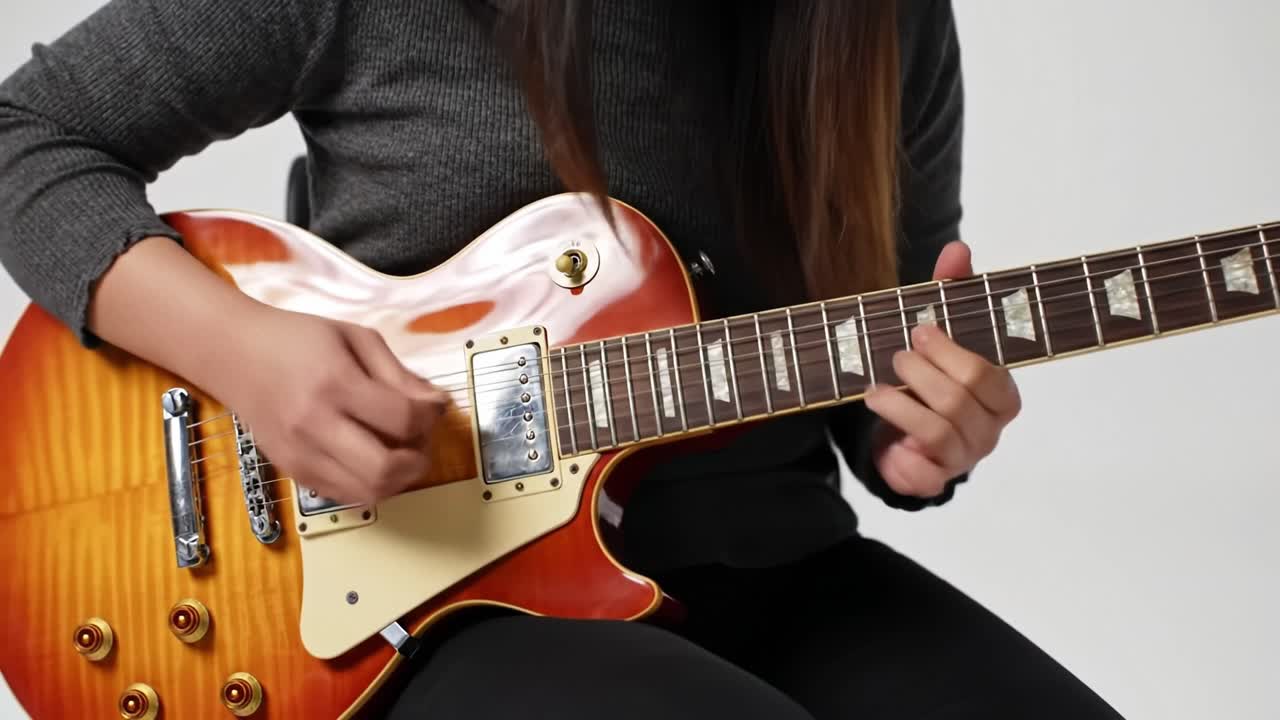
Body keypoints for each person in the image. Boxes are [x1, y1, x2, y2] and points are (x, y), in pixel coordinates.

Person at [0, 1, 1124, 718]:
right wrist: (246, 356)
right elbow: (26, 134)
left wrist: (917, 437)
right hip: (423, 592)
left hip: (776, 561)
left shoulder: (882, 21)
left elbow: (881, 351)